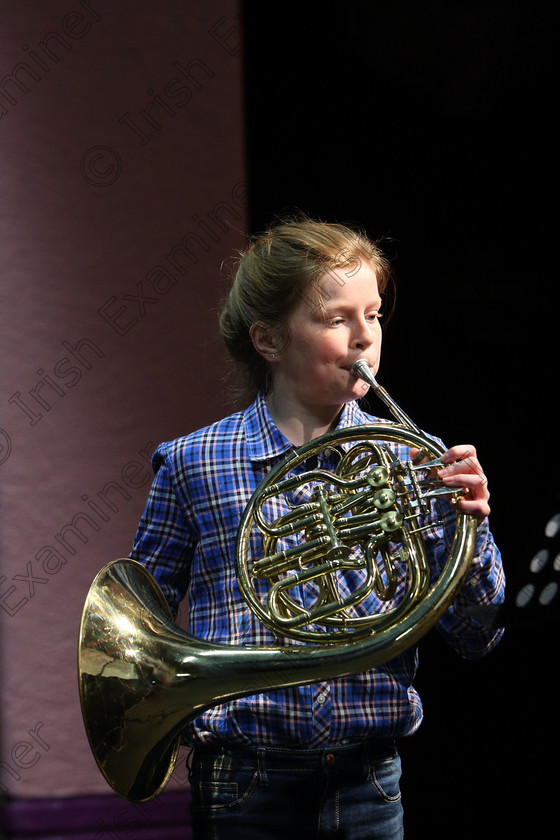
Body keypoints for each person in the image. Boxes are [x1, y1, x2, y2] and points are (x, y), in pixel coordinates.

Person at [129, 216, 505, 839]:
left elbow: (477, 635)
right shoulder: (192, 462)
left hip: (371, 783)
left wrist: (473, 531)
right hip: (245, 782)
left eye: (375, 314)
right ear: (270, 341)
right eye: (337, 319)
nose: (365, 339)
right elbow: (141, 638)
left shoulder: (417, 460)